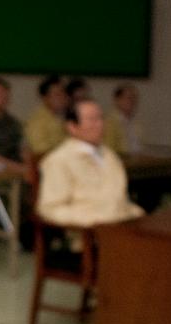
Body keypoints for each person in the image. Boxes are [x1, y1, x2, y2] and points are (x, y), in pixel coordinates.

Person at [36, 99, 144, 231]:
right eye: (92, 120)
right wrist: (92, 219)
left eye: (101, 118)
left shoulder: (109, 155)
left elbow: (120, 198)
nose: (100, 125)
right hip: (89, 231)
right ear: (72, 127)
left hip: (121, 224)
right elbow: (50, 208)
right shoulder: (59, 160)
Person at [24, 74, 69, 159]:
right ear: (45, 98)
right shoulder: (37, 122)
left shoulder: (66, 117)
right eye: (57, 94)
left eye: (64, 93)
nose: (63, 97)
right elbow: (41, 153)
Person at [103, 83, 143, 156]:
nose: (133, 101)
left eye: (135, 98)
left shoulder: (136, 122)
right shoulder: (109, 122)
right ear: (117, 100)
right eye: (129, 98)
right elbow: (108, 150)